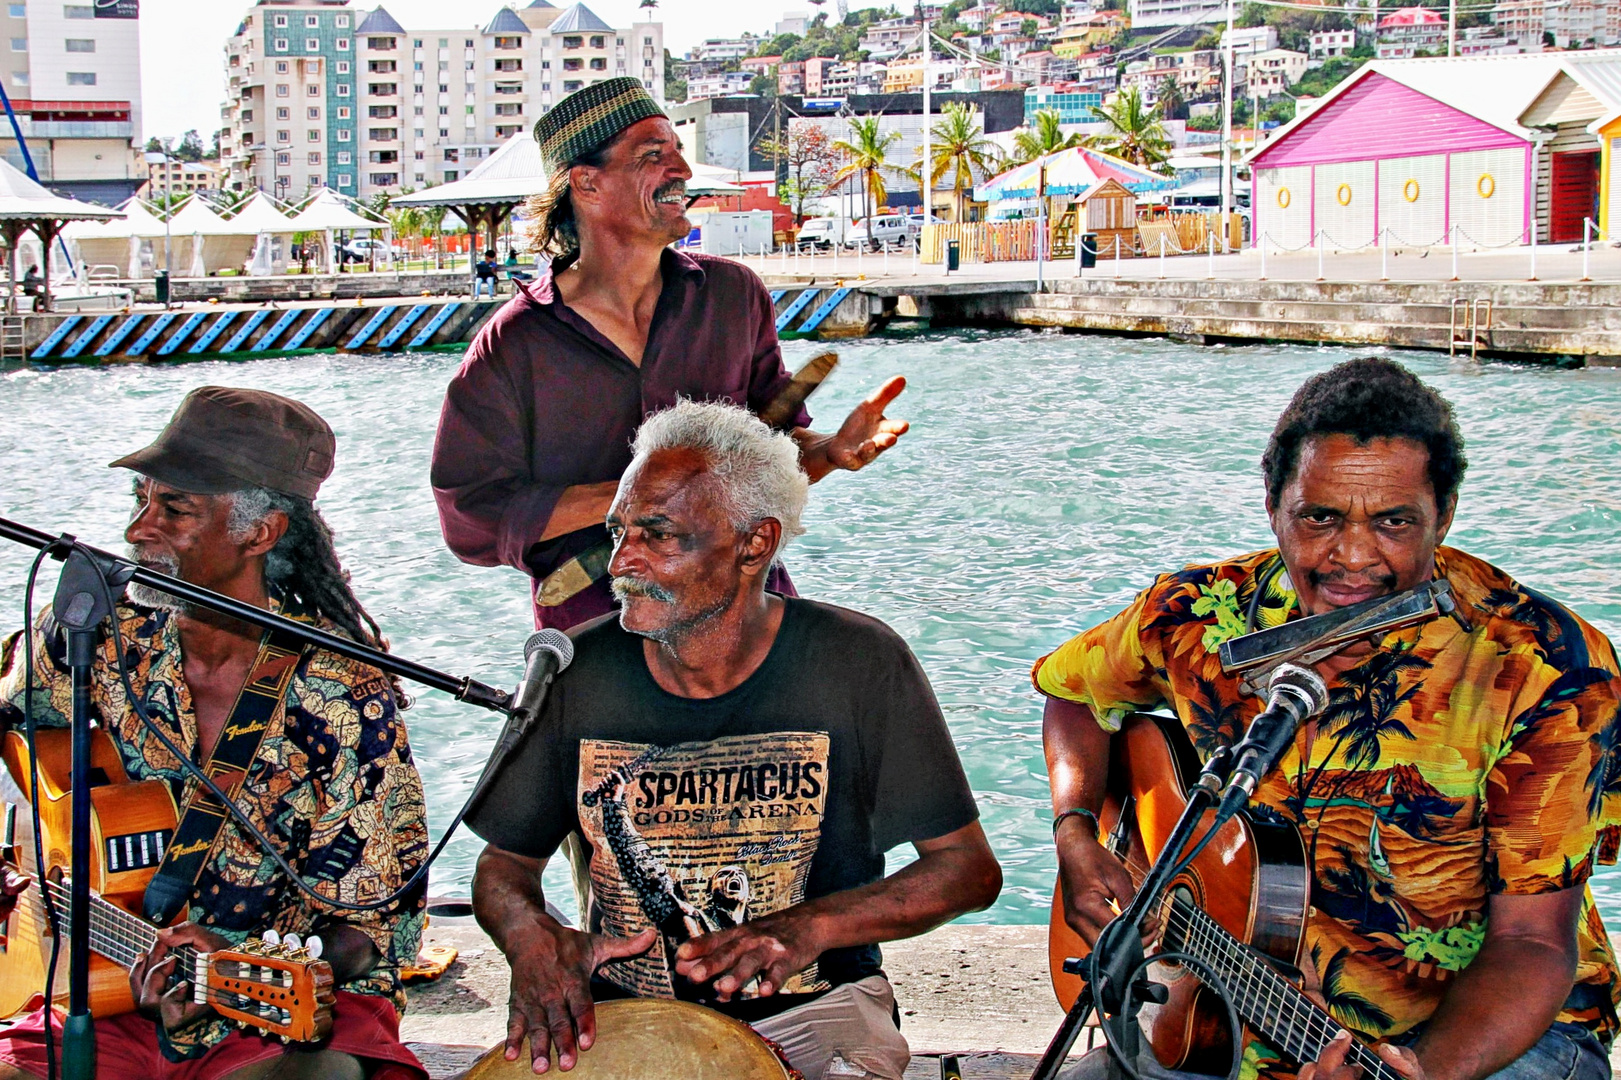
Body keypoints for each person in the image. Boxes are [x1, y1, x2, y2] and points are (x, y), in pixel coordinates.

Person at [1038, 358, 1621, 1080]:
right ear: (1272, 505)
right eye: (1318, 518)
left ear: (1444, 513)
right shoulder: (1193, 614)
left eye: (1393, 523)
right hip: (1227, 1016)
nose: (1351, 557)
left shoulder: (1543, 665)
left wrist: (1418, 1069)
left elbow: (1533, 944)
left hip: (1482, 1037)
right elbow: (1073, 693)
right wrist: (1076, 832)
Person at [467, 400, 1001, 1079]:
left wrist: (806, 929)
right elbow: (503, 868)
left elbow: (966, 871)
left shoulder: (856, 661)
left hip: (814, 1011)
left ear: (754, 544)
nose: (620, 563)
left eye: (657, 535)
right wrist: (528, 939)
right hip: (625, 1015)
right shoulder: (576, 671)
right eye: (617, 531)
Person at [0, 387, 429, 1080]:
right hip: (96, 989)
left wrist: (236, 968)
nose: (140, 529)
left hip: (275, 1012)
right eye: (142, 499)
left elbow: (382, 921)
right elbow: (10, 711)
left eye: (175, 510)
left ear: (259, 534)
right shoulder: (103, 635)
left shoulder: (343, 695)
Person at [430, 77, 909, 633]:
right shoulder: (512, 346)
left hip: (746, 622)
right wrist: (646, 494)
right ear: (587, 183)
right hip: (598, 637)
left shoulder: (733, 296)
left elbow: (773, 455)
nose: (681, 170)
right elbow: (471, 516)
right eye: (653, 155)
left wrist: (830, 450)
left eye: (679, 152)